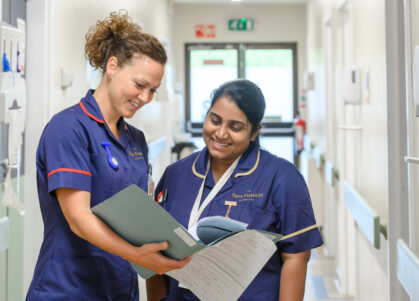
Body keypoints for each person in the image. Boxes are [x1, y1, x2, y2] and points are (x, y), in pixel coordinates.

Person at [26, 11, 190, 301]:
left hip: (119, 287)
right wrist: (138, 255)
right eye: (140, 85)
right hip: (68, 288)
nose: (146, 98)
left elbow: (137, 215)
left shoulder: (135, 140)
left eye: (153, 90)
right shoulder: (69, 128)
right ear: (112, 66)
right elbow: (78, 218)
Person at [147, 79, 323, 301]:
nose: (221, 133)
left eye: (235, 127)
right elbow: (154, 251)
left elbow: (295, 257)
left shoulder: (282, 178)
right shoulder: (176, 175)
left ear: (254, 132)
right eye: (215, 120)